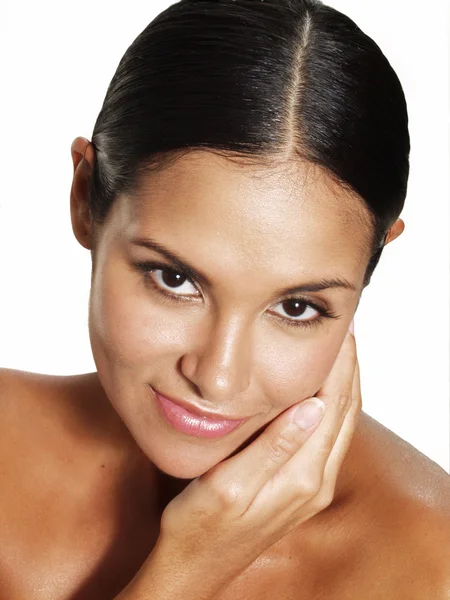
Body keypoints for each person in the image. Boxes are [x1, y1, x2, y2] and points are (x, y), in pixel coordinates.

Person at [1, 0, 449, 598]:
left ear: (372, 261)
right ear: (86, 198)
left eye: (296, 307)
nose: (216, 377)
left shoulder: (430, 563)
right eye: (175, 279)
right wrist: (183, 575)